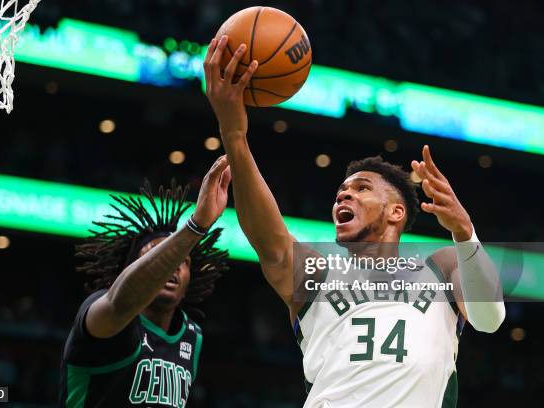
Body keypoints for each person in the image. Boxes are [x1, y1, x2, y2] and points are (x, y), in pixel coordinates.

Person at [203, 35, 505, 408]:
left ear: (397, 212)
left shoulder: (441, 265)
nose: (343, 196)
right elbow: (270, 238)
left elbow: (491, 318)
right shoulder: (318, 272)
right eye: (341, 192)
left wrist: (465, 232)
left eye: (361, 188)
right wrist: (234, 135)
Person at [59, 157, 231, 407]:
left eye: (183, 261)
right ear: (132, 270)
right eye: (155, 256)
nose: (174, 265)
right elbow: (120, 303)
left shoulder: (193, 337)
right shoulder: (103, 313)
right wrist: (196, 226)